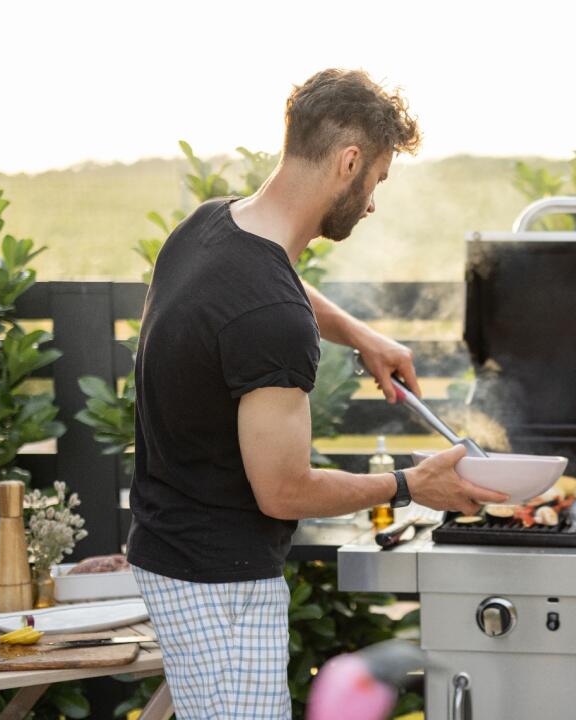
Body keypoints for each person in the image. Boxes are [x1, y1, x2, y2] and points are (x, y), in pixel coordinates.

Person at [127, 68, 509, 719]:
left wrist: (357, 332)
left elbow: (268, 285)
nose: (372, 202)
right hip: (221, 585)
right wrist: (413, 485)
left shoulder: (209, 228)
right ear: (349, 162)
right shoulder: (269, 317)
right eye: (378, 180)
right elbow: (285, 490)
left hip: (170, 550)